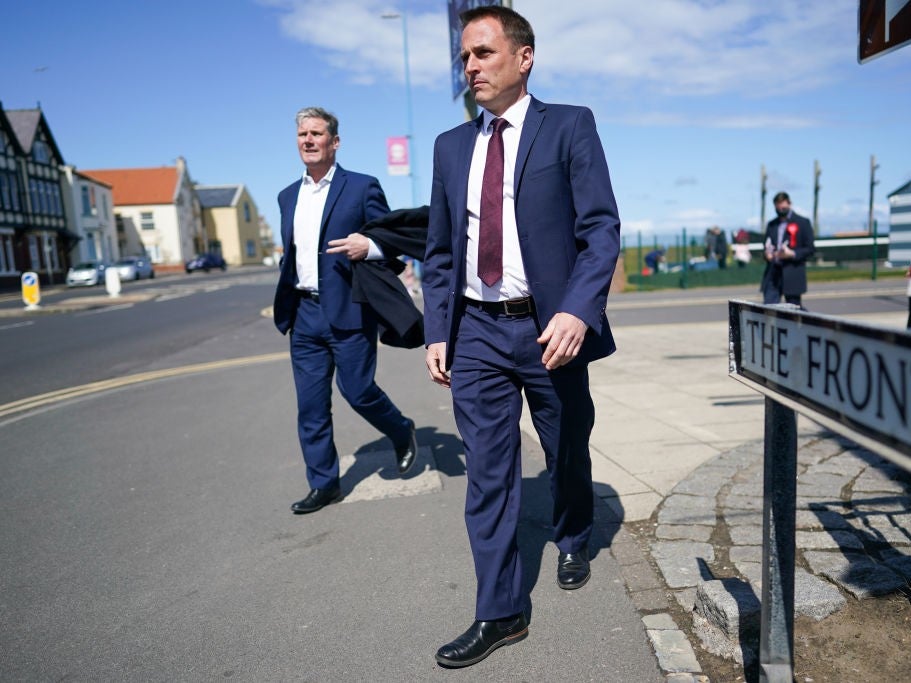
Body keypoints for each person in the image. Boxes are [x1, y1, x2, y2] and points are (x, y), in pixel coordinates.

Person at [422, 6, 621, 668]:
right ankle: (501, 609)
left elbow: (600, 229)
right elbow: (440, 251)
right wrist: (437, 329)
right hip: (476, 328)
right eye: (464, 57)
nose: (470, 66)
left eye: (481, 53)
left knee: (565, 446)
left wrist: (576, 310)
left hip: (548, 326)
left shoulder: (568, 125)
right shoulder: (450, 147)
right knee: (487, 470)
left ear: (523, 57)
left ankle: (571, 533)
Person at [272, 107, 418, 515]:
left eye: (317, 133)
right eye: (302, 133)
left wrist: (368, 247)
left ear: (334, 142)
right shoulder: (287, 196)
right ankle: (325, 484)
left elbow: (395, 240)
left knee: (357, 391)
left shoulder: (361, 187)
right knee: (311, 406)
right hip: (303, 314)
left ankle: (400, 429)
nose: (308, 140)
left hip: (350, 311)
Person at [760, 191, 815, 308]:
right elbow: (766, 245)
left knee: (793, 310)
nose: (781, 207)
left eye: (783, 204)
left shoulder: (802, 222)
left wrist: (792, 254)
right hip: (773, 273)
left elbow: (810, 249)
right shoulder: (771, 224)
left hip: (792, 272)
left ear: (789, 204)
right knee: (768, 308)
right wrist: (767, 254)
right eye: (778, 205)